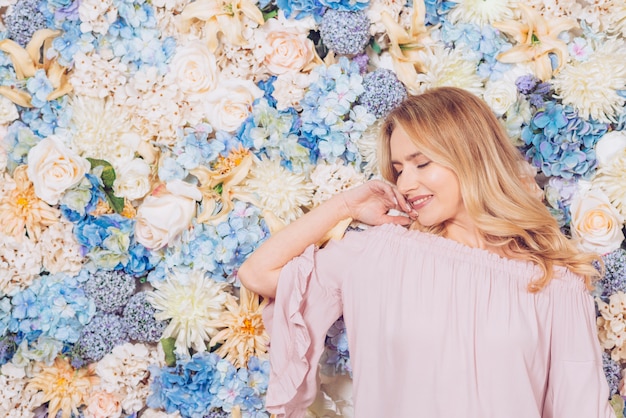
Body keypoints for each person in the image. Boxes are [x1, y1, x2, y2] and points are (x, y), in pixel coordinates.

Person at [238, 87, 615, 418]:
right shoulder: (379, 254)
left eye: (422, 163)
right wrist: (344, 207)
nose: (405, 182)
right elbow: (258, 273)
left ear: (471, 156)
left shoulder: (554, 284)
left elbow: (580, 408)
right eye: (399, 169)